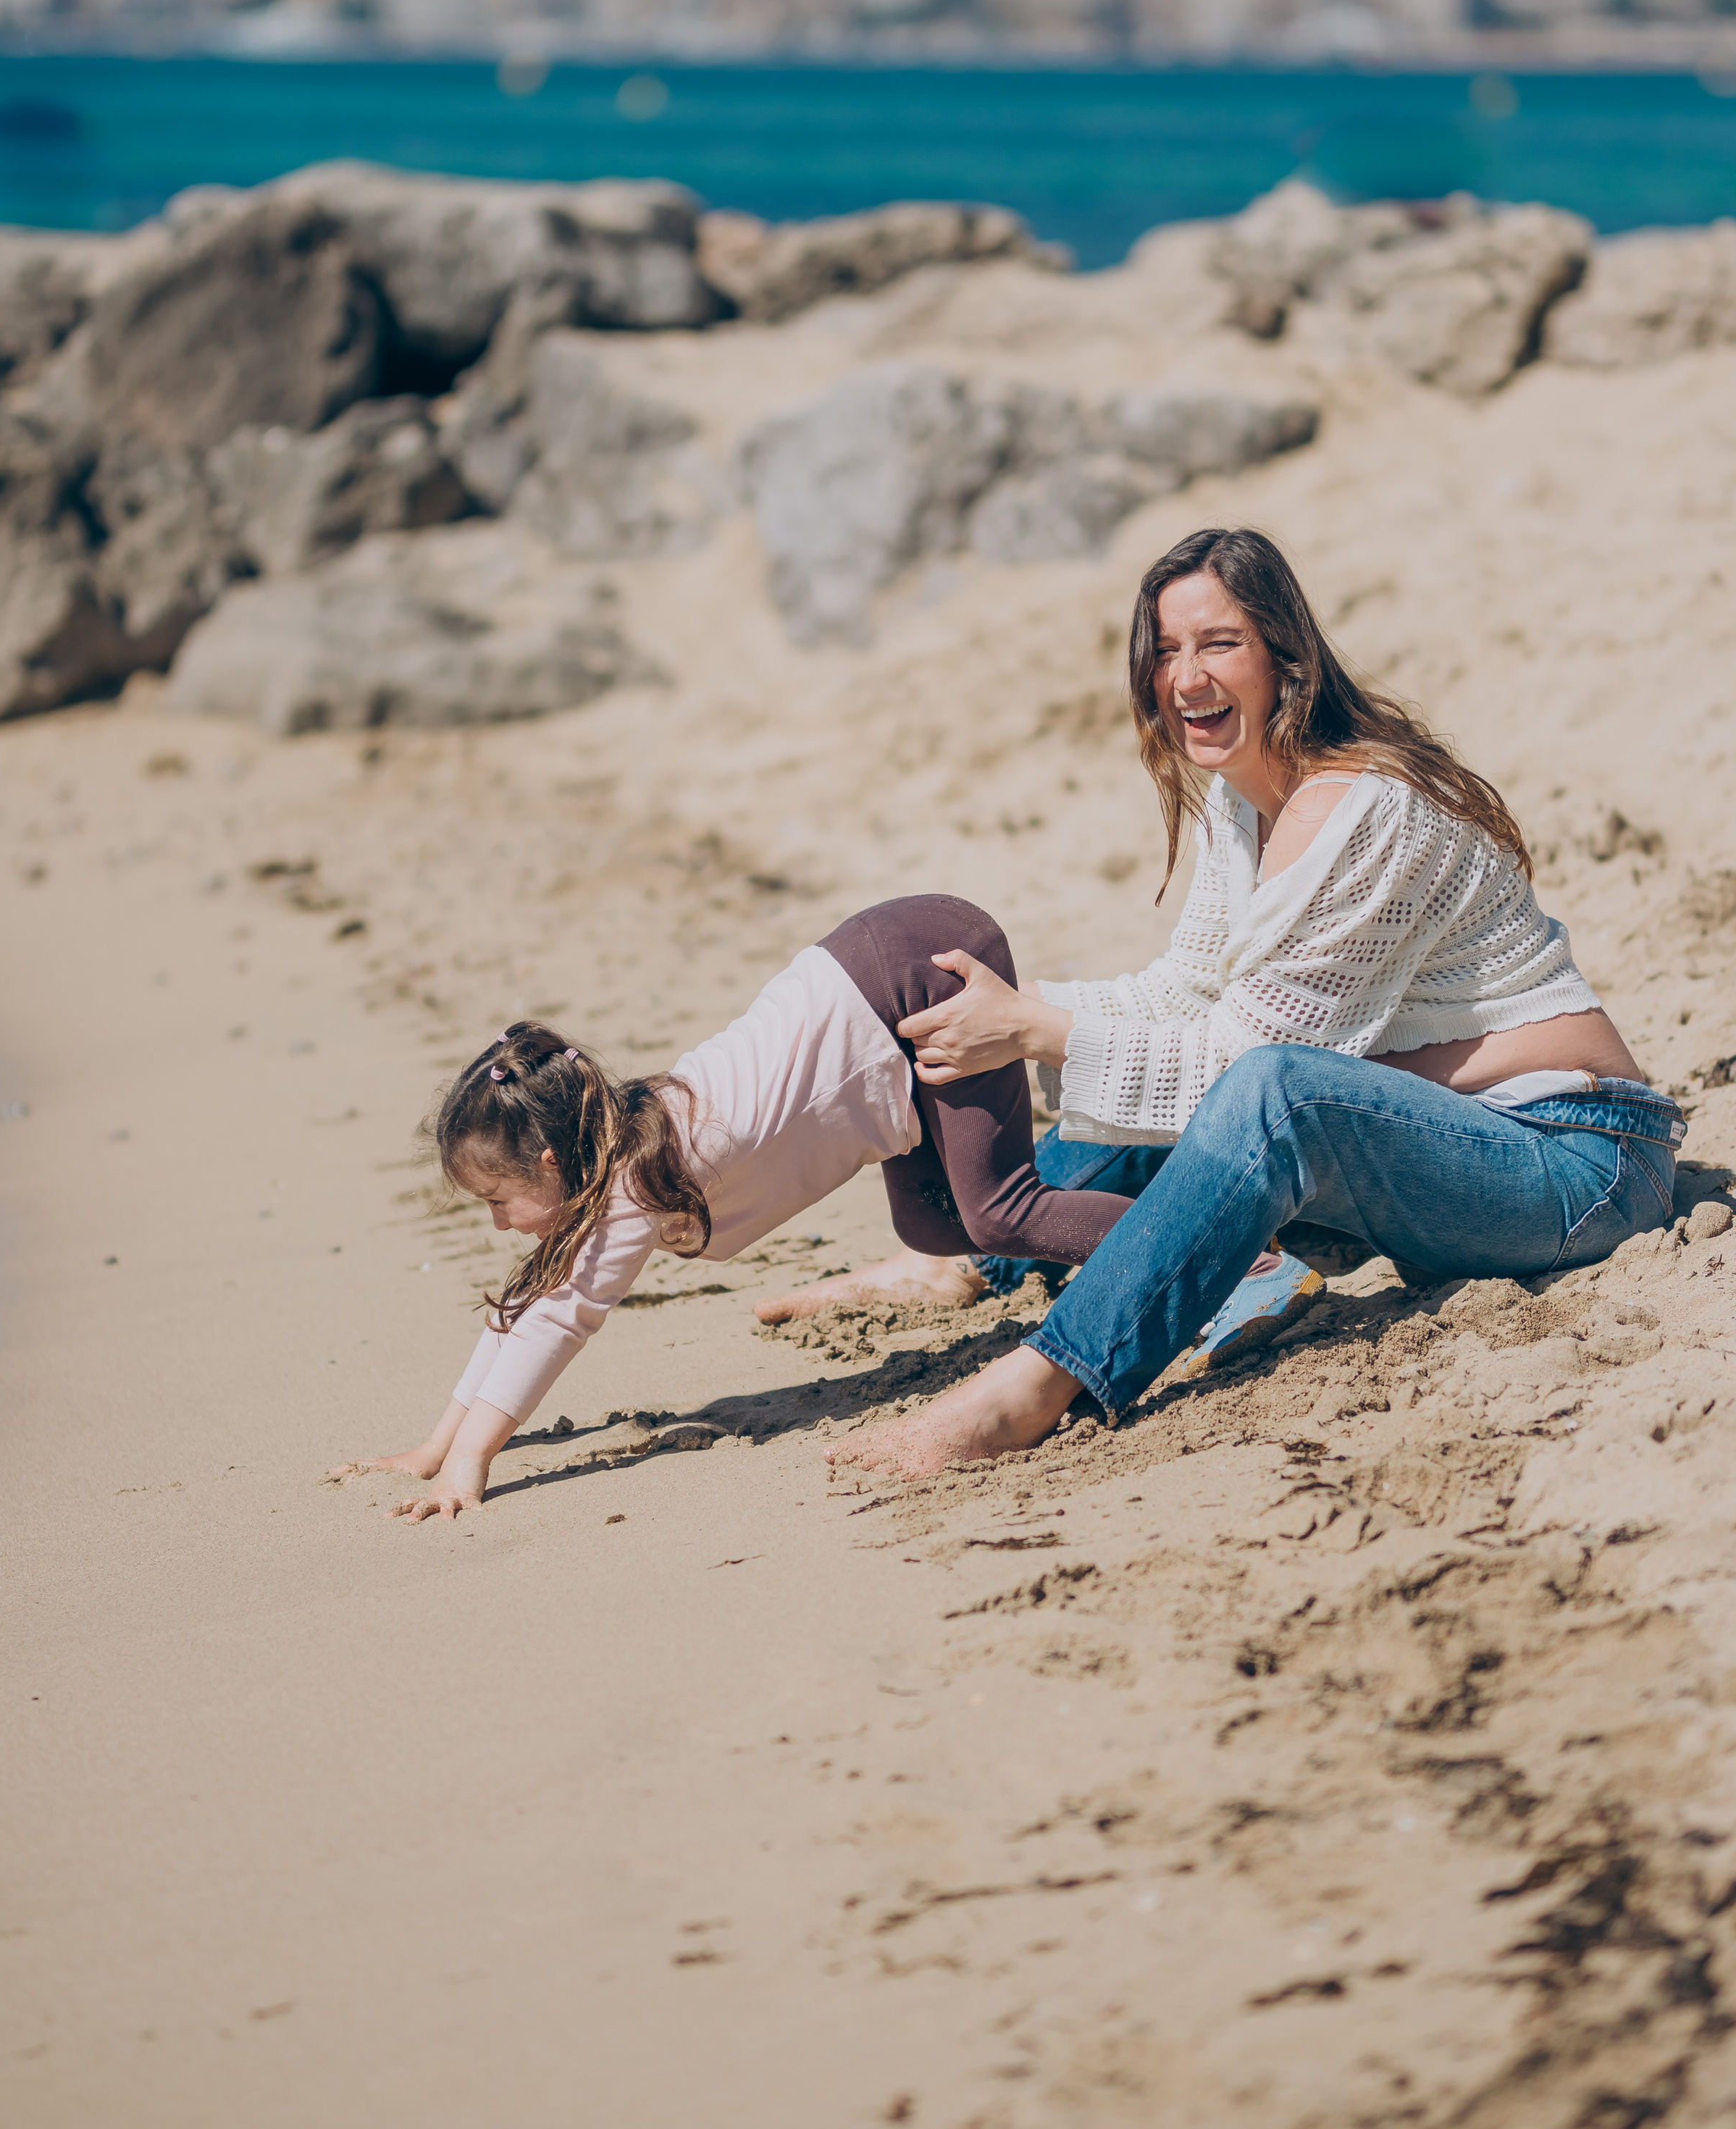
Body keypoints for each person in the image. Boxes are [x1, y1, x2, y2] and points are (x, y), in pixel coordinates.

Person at [834, 524, 1682, 1481]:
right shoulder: (1248, 799)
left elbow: (1244, 1068)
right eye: (1166, 649)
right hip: (1450, 1134)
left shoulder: (1364, 812)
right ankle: (978, 1260)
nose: (1186, 675)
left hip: (1578, 1161)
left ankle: (1036, 1386)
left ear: (1288, 656)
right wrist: (1004, 1011)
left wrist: (1035, 1032)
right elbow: (1183, 993)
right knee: (1144, 1077)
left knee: (1263, 1093)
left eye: (1220, 643)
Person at [354, 898, 1140, 1524]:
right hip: (872, 988)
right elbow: (535, 1302)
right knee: (936, 1228)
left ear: (552, 1162)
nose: (499, 1224)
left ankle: (1216, 1244)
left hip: (913, 972)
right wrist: (436, 1444)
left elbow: (561, 1319)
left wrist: (471, 1465)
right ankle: (1135, 1189)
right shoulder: (612, 1146)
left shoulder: (634, 1178)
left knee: (1001, 1213)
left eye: (498, 1201)